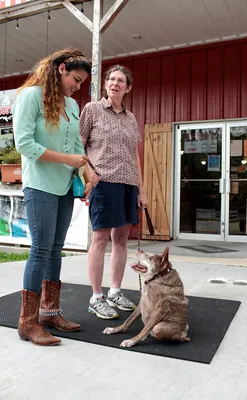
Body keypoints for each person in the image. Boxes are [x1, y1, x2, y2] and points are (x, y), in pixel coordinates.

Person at [13, 48, 92, 346]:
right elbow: (24, 144)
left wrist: (88, 175)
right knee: (41, 249)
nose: (78, 86)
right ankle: (27, 322)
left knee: (55, 249)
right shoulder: (30, 96)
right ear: (60, 69)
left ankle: (49, 312)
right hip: (40, 185)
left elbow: (76, 147)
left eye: (82, 82)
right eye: (75, 78)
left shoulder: (71, 105)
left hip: (64, 187)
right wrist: (67, 160)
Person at [80, 64, 148, 319]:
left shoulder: (131, 118)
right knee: (99, 239)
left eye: (120, 80)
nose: (114, 83)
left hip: (128, 185)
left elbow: (134, 155)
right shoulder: (92, 110)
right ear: (106, 84)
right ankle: (96, 297)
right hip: (104, 183)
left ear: (128, 88)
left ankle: (115, 292)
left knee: (121, 240)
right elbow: (79, 145)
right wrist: (90, 175)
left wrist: (141, 190)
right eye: (111, 79)